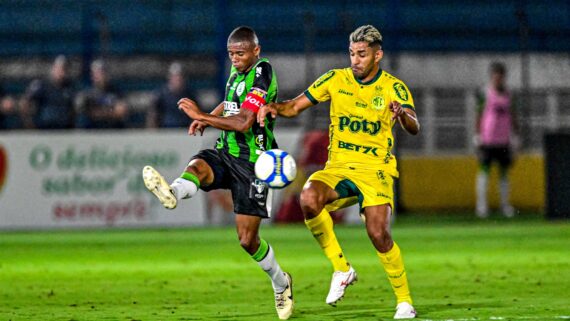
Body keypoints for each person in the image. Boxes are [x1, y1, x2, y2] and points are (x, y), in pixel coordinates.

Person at [258, 25, 419, 319]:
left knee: (378, 233)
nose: (355, 60)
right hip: (339, 168)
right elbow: (295, 107)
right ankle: (342, 269)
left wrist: (402, 115)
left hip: (376, 171)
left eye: (362, 54)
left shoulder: (393, 87)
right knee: (308, 198)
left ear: (377, 55)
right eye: (352, 54)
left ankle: (404, 302)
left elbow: (414, 125)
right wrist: (274, 108)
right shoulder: (336, 79)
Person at [141, 26, 293, 320]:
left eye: (240, 53)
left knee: (247, 240)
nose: (235, 59)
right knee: (198, 165)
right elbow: (232, 104)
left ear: (256, 51)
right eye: (231, 54)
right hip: (226, 153)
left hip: (254, 165)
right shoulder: (237, 74)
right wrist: (210, 116)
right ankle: (173, 192)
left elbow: (245, 121)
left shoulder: (262, 72)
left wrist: (202, 116)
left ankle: (280, 281)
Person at [474, 62, 518, 218]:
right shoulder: (484, 93)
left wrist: (515, 135)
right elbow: (478, 114)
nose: (498, 79)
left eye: (501, 76)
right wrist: (477, 135)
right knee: (484, 172)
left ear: (504, 77)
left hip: (504, 139)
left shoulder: (509, 94)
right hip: (487, 139)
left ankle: (505, 205)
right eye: (495, 76)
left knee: (504, 173)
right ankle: (481, 207)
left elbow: (513, 115)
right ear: (492, 76)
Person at [20, 55, 76, 129]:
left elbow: (74, 109)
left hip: (64, 130)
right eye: (59, 68)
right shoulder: (42, 85)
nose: (62, 72)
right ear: (53, 68)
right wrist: (29, 123)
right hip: (44, 129)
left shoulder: (70, 87)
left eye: (65, 69)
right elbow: (25, 102)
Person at [75, 59, 128, 129]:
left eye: (102, 72)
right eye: (96, 73)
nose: (100, 75)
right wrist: (111, 111)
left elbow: (121, 111)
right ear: (92, 75)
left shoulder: (116, 91)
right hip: (94, 131)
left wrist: (97, 112)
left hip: (113, 130)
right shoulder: (87, 94)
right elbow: (82, 111)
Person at [147, 62, 195, 128]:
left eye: (180, 76)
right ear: (170, 77)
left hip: (185, 130)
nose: (178, 79)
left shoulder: (189, 94)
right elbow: (153, 115)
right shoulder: (161, 94)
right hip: (166, 131)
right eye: (175, 77)